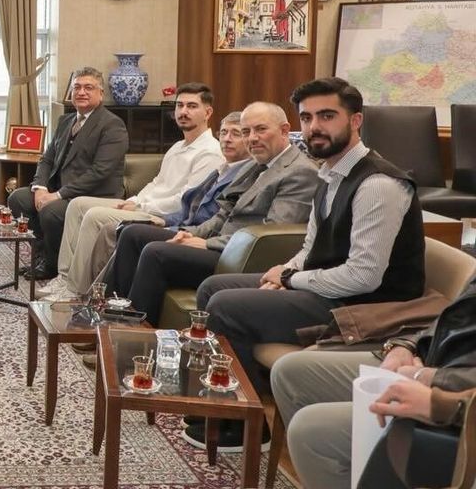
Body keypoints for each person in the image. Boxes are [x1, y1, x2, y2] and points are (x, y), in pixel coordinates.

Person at [188, 78, 426, 452]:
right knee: (213, 287)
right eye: (307, 117)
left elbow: (364, 276)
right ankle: (228, 400)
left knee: (225, 306)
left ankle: (246, 429)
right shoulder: (329, 173)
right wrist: (285, 272)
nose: (314, 126)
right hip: (330, 289)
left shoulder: (378, 183)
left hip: (367, 306)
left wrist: (291, 278)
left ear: (356, 120)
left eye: (327, 116)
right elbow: (311, 247)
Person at [110, 102, 318, 326]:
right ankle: (110, 312)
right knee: (134, 233)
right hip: (221, 244)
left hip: (242, 257)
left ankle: (134, 330)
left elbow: (270, 235)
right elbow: (222, 215)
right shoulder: (254, 164)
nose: (252, 138)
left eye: (260, 129)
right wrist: (190, 234)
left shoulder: (300, 172)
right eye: (246, 131)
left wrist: (207, 244)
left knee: (156, 252)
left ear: (284, 130)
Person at [271, 275, 476, 488]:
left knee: (310, 430)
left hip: (458, 406)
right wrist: (405, 345)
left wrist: (431, 381)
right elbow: (454, 317)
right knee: (289, 372)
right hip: (431, 363)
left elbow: (363, 276)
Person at [52, 82, 223, 297]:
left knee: (95, 216)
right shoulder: (178, 146)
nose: (183, 112)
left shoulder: (209, 153)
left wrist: (141, 205)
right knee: (78, 204)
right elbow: (156, 183)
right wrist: (134, 200)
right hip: (143, 205)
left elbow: (185, 201)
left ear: (208, 112)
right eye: (180, 105)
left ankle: (74, 291)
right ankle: (63, 277)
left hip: (161, 215)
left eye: (192, 106)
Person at [7, 67, 129, 281]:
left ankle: (53, 265)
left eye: (88, 88)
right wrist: (40, 188)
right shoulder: (66, 121)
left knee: (51, 211)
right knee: (18, 198)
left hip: (95, 195)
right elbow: (47, 159)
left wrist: (58, 195)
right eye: (77, 87)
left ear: (101, 93)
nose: (81, 92)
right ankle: (43, 254)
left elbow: (99, 172)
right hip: (60, 190)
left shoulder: (112, 125)